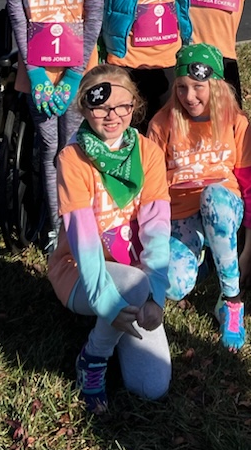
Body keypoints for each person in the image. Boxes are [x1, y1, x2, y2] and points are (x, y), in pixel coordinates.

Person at [49, 66, 171, 414]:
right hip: (79, 273)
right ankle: (94, 356)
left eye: (123, 106)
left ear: (136, 105)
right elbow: (83, 241)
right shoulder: (72, 159)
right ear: (84, 109)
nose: (113, 116)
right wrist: (107, 303)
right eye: (100, 107)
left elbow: (157, 230)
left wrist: (157, 298)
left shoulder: (148, 153)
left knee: (152, 386)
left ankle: (121, 321)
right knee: (132, 282)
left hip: (135, 275)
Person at [0, 0, 108, 251]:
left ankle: (82, 220)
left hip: (78, 73)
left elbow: (93, 16)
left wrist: (76, 75)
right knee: (48, 148)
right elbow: (18, 13)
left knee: (75, 147)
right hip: (39, 73)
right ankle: (57, 228)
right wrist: (36, 72)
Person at [147, 44, 251, 351]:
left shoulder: (235, 122)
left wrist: (250, 251)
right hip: (181, 213)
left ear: (215, 85)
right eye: (182, 87)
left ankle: (231, 301)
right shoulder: (162, 123)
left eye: (198, 87)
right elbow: (153, 189)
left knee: (214, 196)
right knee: (173, 286)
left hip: (223, 207)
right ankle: (206, 256)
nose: (190, 97)